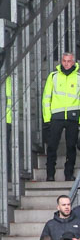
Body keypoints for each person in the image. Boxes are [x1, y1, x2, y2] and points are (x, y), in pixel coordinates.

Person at [42, 52, 80, 182]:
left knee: (71, 147)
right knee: (52, 146)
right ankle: (50, 174)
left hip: (73, 116)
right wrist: (47, 119)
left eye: (69, 61)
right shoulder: (53, 76)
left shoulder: (79, 77)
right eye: (64, 61)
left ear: (74, 62)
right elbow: (46, 98)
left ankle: (69, 174)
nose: (66, 63)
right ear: (61, 62)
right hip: (56, 116)